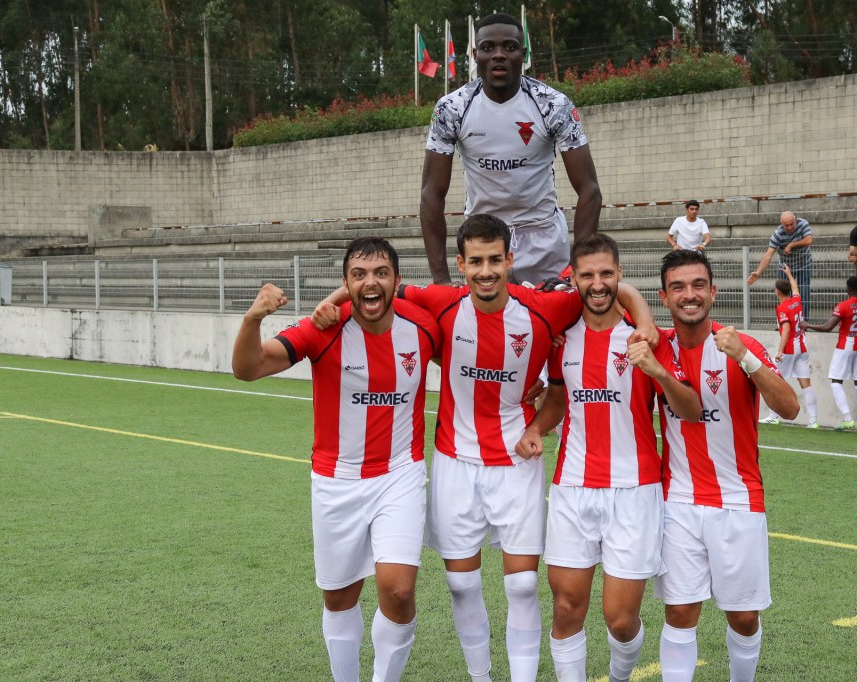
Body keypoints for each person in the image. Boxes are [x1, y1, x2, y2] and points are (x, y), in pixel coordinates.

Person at [315, 215, 658, 682]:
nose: (486, 271)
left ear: (510, 259)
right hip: (455, 460)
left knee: (522, 585)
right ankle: (481, 677)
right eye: (475, 261)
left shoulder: (544, 308)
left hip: (516, 461)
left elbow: (606, 287)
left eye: (495, 259)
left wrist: (646, 319)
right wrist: (330, 303)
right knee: (461, 583)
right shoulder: (441, 302)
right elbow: (376, 287)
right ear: (460, 265)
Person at [231, 237, 442, 682]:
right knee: (340, 599)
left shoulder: (423, 325)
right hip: (336, 480)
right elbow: (248, 368)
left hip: (400, 473)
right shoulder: (323, 328)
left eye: (381, 273)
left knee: (399, 592)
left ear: (397, 280)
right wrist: (253, 318)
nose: (371, 282)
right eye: (359, 275)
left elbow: (474, 353)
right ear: (346, 283)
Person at [515, 234, 702, 682]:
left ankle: (619, 676)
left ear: (620, 275)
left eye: (605, 274)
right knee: (566, 609)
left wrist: (657, 367)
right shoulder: (560, 339)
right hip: (573, 488)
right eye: (587, 275)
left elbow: (692, 410)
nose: (597, 284)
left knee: (620, 620)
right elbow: (556, 398)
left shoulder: (644, 337)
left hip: (634, 491)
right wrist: (535, 429)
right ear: (574, 280)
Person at [653, 249, 799, 682]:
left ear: (714, 292)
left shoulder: (741, 345)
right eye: (678, 287)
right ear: (664, 297)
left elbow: (790, 408)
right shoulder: (657, 347)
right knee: (680, 611)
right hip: (678, 499)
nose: (690, 294)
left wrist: (746, 360)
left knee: (744, 617)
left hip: (738, 498)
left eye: (698, 285)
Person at [421, 12, 601, 286]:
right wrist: (441, 279)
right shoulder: (452, 108)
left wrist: (580, 268)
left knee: (552, 316)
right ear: (475, 55)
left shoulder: (553, 104)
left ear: (523, 54)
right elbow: (431, 194)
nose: (499, 55)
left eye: (510, 47)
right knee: (486, 316)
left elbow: (589, 189)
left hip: (543, 241)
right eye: (487, 47)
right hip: (484, 243)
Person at [800, 276, 857, 431]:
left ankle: (847, 418)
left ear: (848, 289)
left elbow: (828, 327)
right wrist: (856, 265)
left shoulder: (843, 306)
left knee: (836, 381)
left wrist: (808, 325)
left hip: (845, 347)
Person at [759, 264, 818, 428]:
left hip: (790, 349)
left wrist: (779, 351)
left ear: (777, 292)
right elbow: (796, 289)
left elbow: (786, 330)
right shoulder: (796, 301)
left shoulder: (782, 308)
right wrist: (790, 274)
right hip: (803, 347)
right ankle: (813, 421)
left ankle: (773, 416)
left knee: (774, 379)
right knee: (806, 384)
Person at [746, 211, 814, 319]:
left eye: (792, 224)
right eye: (786, 225)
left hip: (804, 264)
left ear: (795, 220)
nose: (790, 227)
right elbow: (768, 254)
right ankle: (786, 318)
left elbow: (809, 240)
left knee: (804, 293)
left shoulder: (803, 224)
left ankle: (803, 320)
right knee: (784, 294)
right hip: (785, 267)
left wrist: (791, 245)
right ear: (781, 223)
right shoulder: (778, 233)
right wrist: (758, 272)